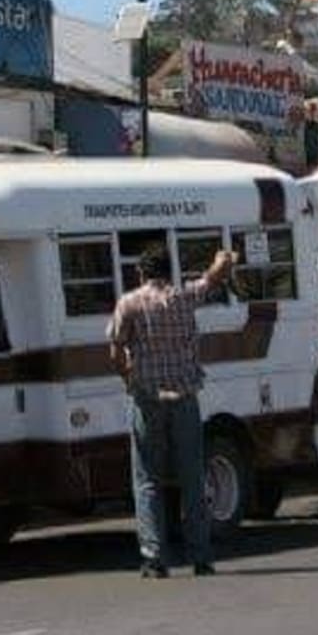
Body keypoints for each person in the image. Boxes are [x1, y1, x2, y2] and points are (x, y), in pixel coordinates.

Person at [107, 243, 237, 578]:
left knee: (147, 478)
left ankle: (155, 557)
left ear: (141, 272)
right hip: (184, 397)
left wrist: (128, 378)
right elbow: (212, 279)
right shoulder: (183, 298)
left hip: (147, 398)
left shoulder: (129, 303)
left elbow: (116, 350)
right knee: (192, 475)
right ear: (169, 271)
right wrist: (223, 259)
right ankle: (201, 555)